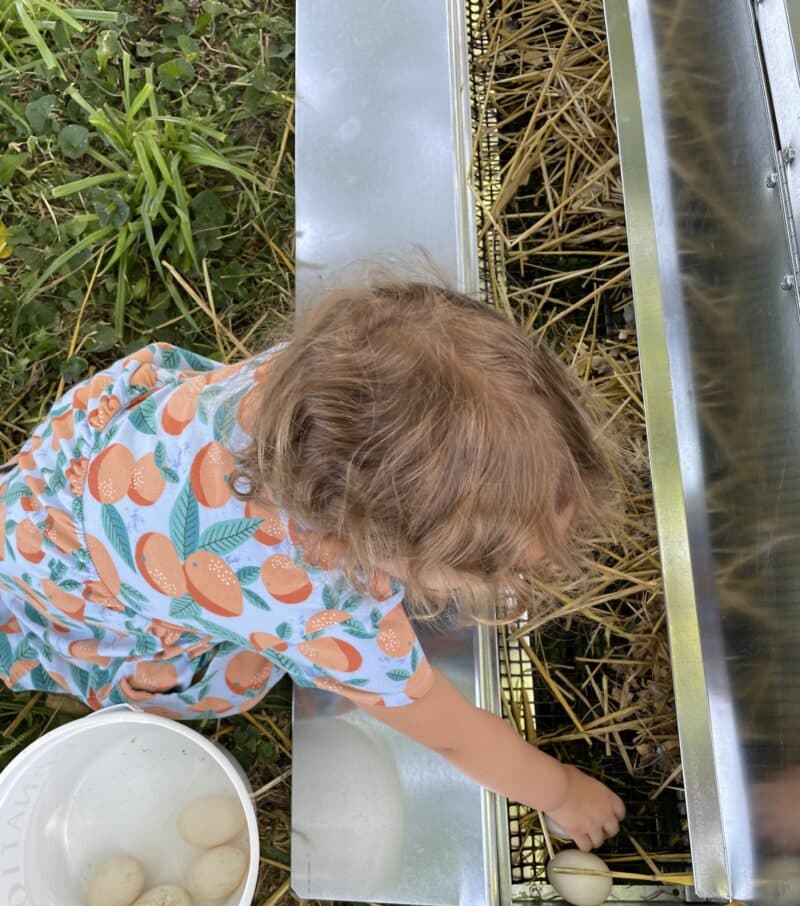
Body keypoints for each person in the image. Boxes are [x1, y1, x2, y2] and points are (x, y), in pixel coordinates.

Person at [0, 281, 625, 851]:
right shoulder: (326, 612)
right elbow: (454, 733)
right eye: (499, 568)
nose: (513, 585)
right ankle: (93, 666)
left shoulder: (321, 392)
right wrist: (562, 792)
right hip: (73, 584)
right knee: (231, 679)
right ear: (361, 549)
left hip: (85, 466)